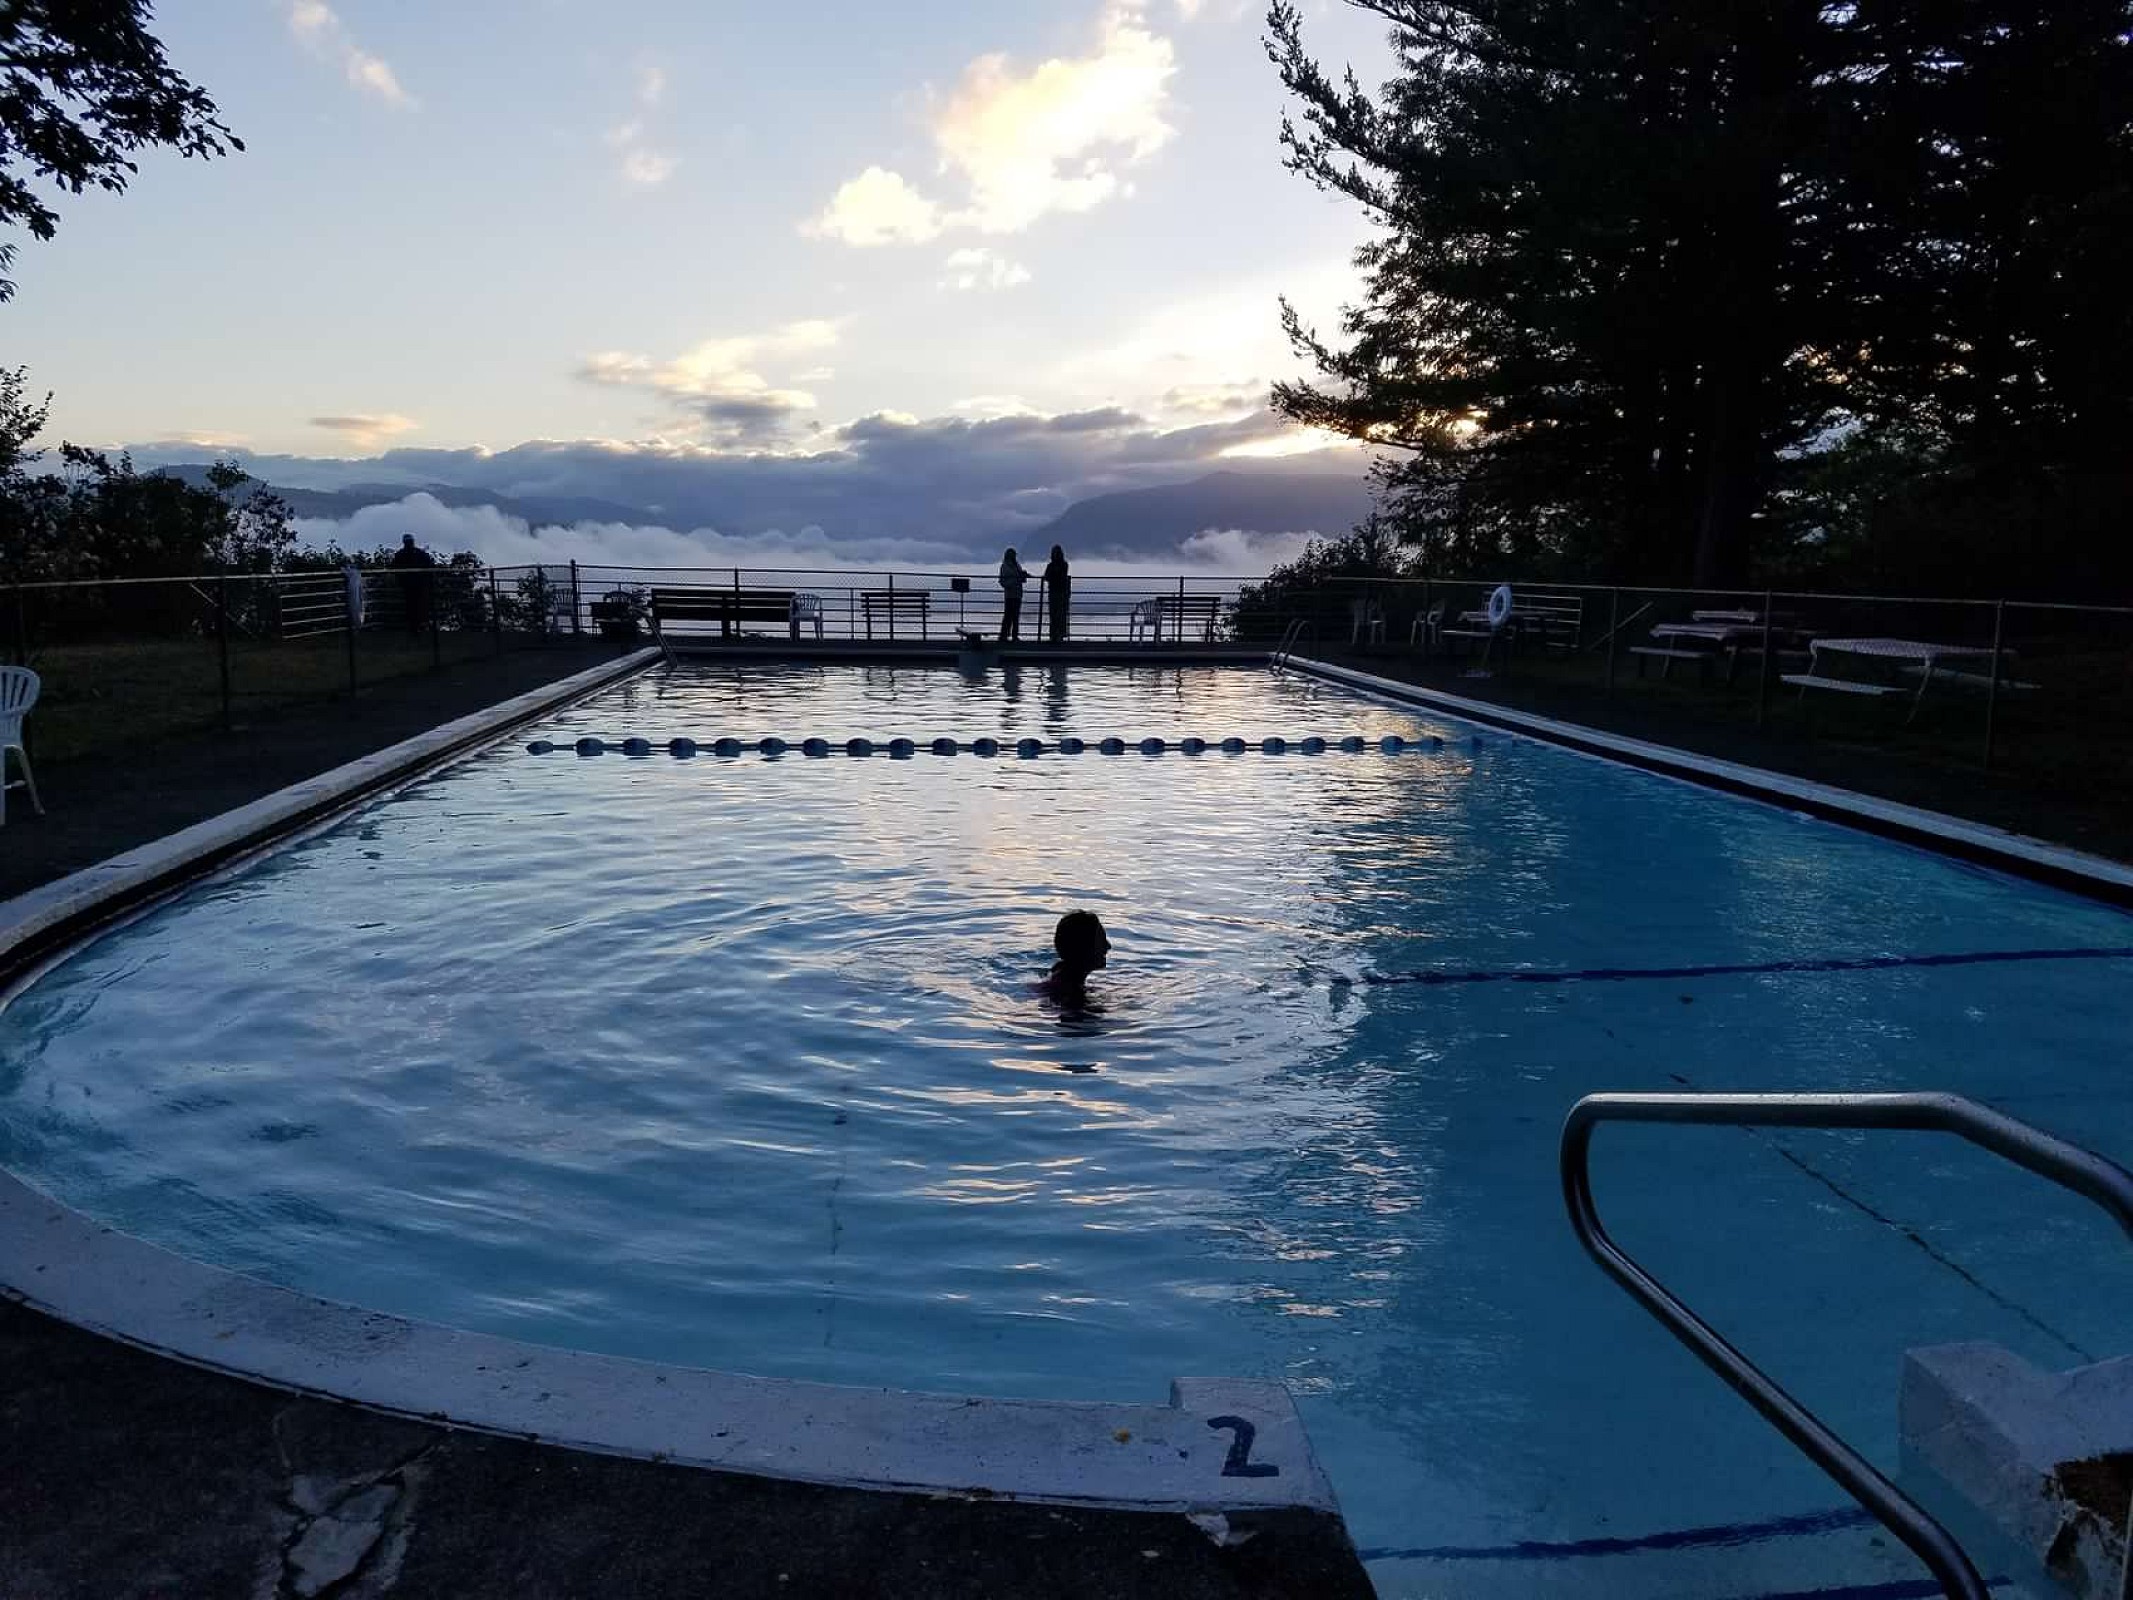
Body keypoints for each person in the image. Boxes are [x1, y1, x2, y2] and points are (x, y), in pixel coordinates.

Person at [1040, 910, 1110, 1005]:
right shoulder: (1073, 997)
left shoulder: (1059, 975)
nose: (1108, 946)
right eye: (1101, 941)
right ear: (1084, 948)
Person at [390, 533, 436, 634]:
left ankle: (415, 626)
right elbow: (429, 565)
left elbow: (393, 568)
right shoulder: (418, 553)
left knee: (412, 606)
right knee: (417, 605)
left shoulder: (401, 554)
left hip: (412, 585)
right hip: (416, 584)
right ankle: (418, 626)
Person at [998, 547, 1028, 642]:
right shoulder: (1007, 566)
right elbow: (1003, 581)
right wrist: (1016, 579)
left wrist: (1021, 577)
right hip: (1011, 594)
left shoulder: (1013, 565)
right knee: (1010, 616)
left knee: (1013, 616)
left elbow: (1003, 581)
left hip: (1016, 593)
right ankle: (1006, 635)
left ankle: (1009, 635)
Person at [1043, 544, 1071, 643]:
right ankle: (1056, 635)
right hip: (1058, 592)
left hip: (1056, 591)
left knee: (1057, 614)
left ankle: (1056, 635)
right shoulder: (1063, 564)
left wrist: (1053, 575)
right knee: (1056, 614)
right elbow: (1051, 576)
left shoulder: (1053, 565)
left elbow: (1047, 577)